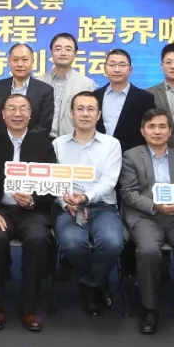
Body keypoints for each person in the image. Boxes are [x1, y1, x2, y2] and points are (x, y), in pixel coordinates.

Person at [119, 109, 174, 335]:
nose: (157, 131)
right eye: (151, 127)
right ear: (142, 131)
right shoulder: (131, 156)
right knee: (148, 251)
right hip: (146, 216)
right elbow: (128, 193)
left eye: (162, 127)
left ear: (170, 131)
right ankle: (150, 308)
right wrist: (156, 205)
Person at [0, 94, 56, 332]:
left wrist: (33, 200)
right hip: (0, 210)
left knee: (38, 239)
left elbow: (52, 185)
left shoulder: (44, 145)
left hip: (32, 211)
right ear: (3, 114)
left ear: (30, 115)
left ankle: (29, 306)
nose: (17, 113)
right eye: (11, 108)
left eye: (23, 109)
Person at [52, 91, 124, 316]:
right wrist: (64, 200)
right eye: (80, 109)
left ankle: (91, 285)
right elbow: (52, 181)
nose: (85, 114)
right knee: (72, 244)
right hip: (68, 208)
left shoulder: (111, 144)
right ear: (71, 113)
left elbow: (110, 181)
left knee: (112, 243)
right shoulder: (57, 144)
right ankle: (98, 287)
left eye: (91, 109)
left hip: (102, 206)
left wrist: (85, 197)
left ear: (99, 115)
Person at [0, 43, 54, 138]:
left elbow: (44, 124)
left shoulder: (45, 90)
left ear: (32, 62)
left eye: (25, 60)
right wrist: (3, 142)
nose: (20, 64)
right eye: (15, 60)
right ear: (9, 61)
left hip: (34, 145)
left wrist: (23, 143)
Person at [94, 49, 156, 153]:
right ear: (105, 69)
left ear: (130, 70)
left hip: (132, 156)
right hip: (98, 153)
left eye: (122, 65)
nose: (117, 69)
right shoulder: (94, 96)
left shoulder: (145, 98)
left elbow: (150, 129)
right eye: (112, 65)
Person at [35, 33, 96, 139]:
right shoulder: (38, 82)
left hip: (73, 141)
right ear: (51, 52)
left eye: (68, 49)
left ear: (75, 54)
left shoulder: (86, 84)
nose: (63, 53)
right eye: (58, 49)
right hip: (42, 141)